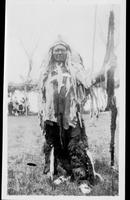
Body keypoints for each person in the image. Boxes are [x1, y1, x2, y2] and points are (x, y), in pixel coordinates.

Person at [38, 39, 99, 186]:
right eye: (56, 50)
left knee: (75, 145)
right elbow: (42, 93)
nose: (59, 52)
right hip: (52, 116)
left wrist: (89, 80)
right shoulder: (46, 71)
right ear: (52, 53)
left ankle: (82, 178)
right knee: (58, 145)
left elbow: (86, 81)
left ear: (67, 52)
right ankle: (63, 173)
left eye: (62, 50)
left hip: (71, 116)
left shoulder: (73, 69)